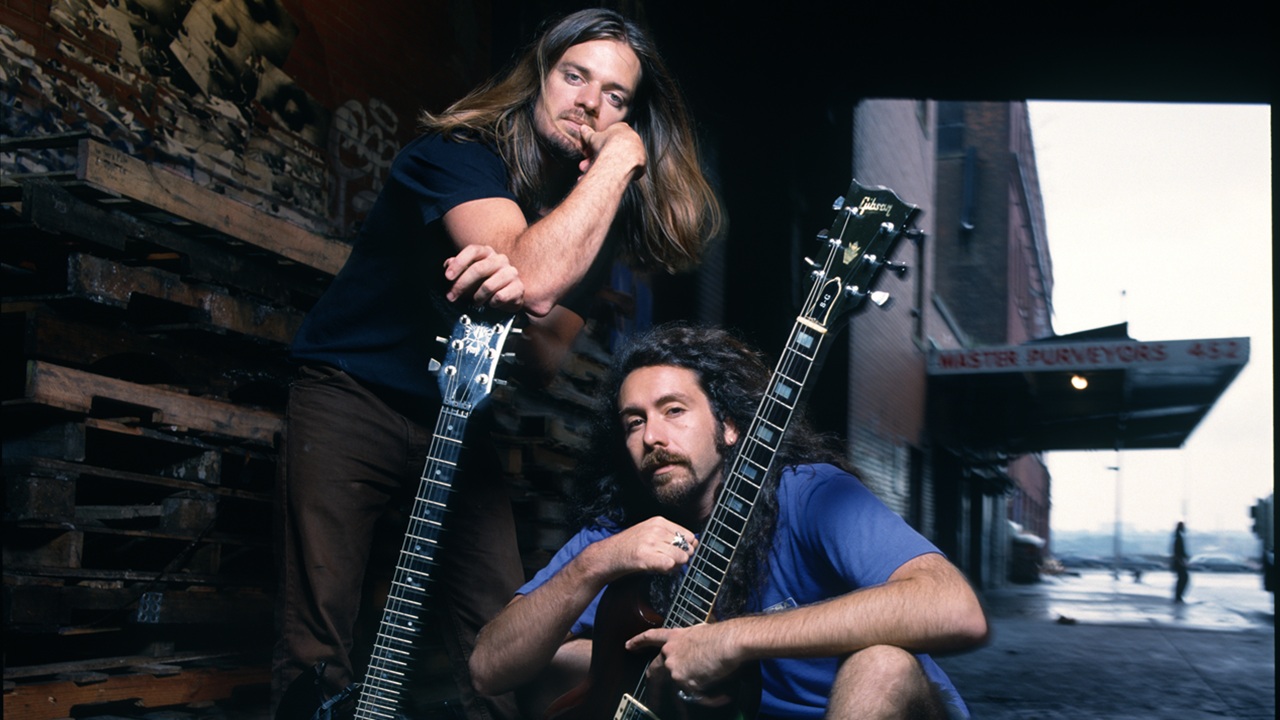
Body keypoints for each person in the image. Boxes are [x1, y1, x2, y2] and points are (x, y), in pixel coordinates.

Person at [272, 9, 719, 720]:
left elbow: (541, 355)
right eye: (575, 76)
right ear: (539, 76)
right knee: (318, 636)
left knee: (499, 630)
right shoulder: (458, 154)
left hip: (459, 415)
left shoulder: (585, 214)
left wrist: (539, 257)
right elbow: (535, 282)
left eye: (615, 97)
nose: (590, 104)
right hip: (352, 392)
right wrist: (614, 163)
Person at [469, 323, 990, 719]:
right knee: (560, 661)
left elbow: (954, 609)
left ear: (731, 426)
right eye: (634, 421)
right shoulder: (619, 531)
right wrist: (595, 564)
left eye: (674, 411)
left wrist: (734, 638)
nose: (652, 436)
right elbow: (488, 669)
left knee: (883, 664)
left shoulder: (810, 493)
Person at [1172, 521, 1190, 603]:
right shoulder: (1179, 539)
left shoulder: (1178, 537)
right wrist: (1182, 561)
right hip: (1179, 563)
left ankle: (1178, 596)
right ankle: (1178, 596)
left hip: (1178, 562)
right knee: (1183, 578)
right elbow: (1178, 553)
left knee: (1181, 579)